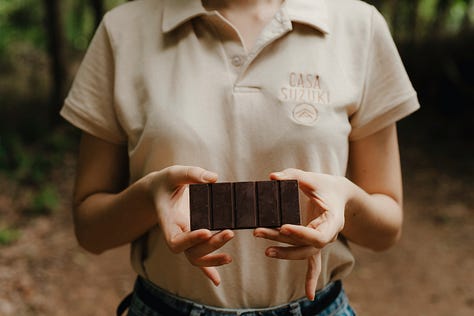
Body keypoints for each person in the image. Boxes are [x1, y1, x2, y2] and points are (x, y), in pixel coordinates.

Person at [61, 0, 420, 315]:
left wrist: (346, 201)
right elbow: (91, 231)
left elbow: (386, 228)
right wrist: (148, 197)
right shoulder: (122, 30)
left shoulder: (359, 25)